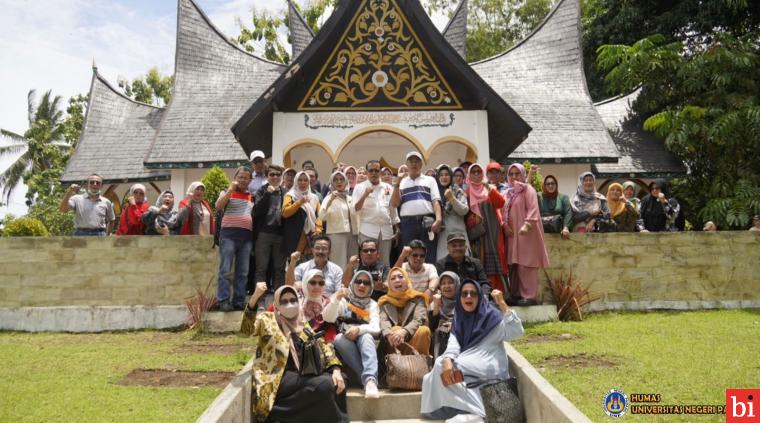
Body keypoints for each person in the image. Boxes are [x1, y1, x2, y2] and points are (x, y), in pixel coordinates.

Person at [242, 283, 347, 423]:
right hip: (278, 376)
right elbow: (246, 331)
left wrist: (336, 369)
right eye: (284, 301)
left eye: (293, 300)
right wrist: (254, 297)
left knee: (338, 381)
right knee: (324, 384)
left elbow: (322, 345)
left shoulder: (302, 322)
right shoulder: (267, 319)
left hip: (301, 373)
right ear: (276, 305)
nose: (289, 304)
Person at [420, 283, 524, 420]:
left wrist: (502, 304)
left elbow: (516, 332)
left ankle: (481, 411)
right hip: (468, 369)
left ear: (480, 297)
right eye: (464, 294)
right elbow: (453, 344)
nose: (468, 296)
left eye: (473, 293)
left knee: (446, 368)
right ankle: (471, 408)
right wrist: (447, 359)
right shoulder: (460, 319)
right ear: (460, 298)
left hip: (490, 368)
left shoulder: (492, 317)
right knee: (438, 369)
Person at [324, 271, 381, 399]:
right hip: (346, 340)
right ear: (352, 283)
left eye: (366, 283)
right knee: (338, 339)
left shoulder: (372, 304)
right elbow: (328, 318)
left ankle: (370, 381)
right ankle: (368, 380)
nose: (361, 285)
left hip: (365, 341)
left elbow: (376, 328)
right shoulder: (344, 301)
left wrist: (359, 330)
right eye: (358, 281)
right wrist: (336, 299)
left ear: (371, 287)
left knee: (366, 336)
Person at [503, 164, 550, 306]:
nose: (514, 177)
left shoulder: (528, 190)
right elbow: (502, 211)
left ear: (523, 175)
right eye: (511, 174)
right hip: (512, 235)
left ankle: (529, 296)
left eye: (517, 174)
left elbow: (533, 208)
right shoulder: (508, 193)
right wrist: (504, 226)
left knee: (526, 263)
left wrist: (527, 224)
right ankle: (516, 294)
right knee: (514, 264)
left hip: (526, 233)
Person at [391, 151, 443, 262]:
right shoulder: (402, 182)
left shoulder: (430, 180)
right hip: (408, 223)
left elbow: (435, 201)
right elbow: (395, 204)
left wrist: (438, 219)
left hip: (427, 221)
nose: (414, 164)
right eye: (411, 161)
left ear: (421, 164)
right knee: (408, 254)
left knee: (428, 254)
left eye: (417, 161)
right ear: (407, 164)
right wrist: (397, 183)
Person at [215, 166, 254, 311]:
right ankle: (223, 301)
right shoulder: (227, 192)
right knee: (225, 270)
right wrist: (230, 190)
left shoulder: (252, 195)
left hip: (246, 238)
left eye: (246, 177)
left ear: (250, 180)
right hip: (229, 236)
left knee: (243, 272)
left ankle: (239, 301)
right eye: (240, 177)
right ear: (235, 178)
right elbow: (218, 206)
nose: (243, 180)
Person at [465, 164, 507, 292]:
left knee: (495, 258)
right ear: (469, 175)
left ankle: (498, 292)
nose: (477, 174)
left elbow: (500, 203)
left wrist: (489, 187)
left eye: (479, 172)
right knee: (479, 259)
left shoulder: (490, 188)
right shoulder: (466, 192)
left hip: (493, 229)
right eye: (474, 172)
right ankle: (482, 292)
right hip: (477, 233)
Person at [353, 160, 399, 266]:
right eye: (371, 170)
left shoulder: (388, 187)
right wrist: (365, 194)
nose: (374, 173)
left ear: (380, 172)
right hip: (367, 230)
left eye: (376, 170)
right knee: (367, 262)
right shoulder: (360, 187)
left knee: (385, 262)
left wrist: (396, 228)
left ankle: (383, 282)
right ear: (367, 172)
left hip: (385, 231)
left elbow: (392, 209)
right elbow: (356, 208)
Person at [379, 267, 431, 355]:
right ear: (389, 284)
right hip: (395, 341)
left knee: (424, 330)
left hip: (414, 334)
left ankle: (415, 364)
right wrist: (388, 334)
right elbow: (383, 321)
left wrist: (404, 331)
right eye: (393, 278)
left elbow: (419, 319)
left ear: (407, 280)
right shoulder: (384, 301)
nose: (397, 280)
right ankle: (401, 366)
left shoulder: (418, 297)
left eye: (400, 277)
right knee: (394, 330)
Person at [253, 165, 287, 290]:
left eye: (278, 174)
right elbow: (256, 211)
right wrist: (268, 194)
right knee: (261, 268)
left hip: (280, 235)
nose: (275, 177)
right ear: (267, 177)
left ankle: (279, 301)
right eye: (272, 174)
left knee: (279, 269)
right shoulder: (261, 191)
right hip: (263, 234)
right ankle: (260, 299)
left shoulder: (286, 193)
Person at [319, 170, 359, 269]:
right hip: (336, 233)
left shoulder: (350, 198)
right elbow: (321, 217)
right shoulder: (328, 198)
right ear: (332, 183)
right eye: (336, 180)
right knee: (339, 264)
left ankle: (352, 284)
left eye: (341, 179)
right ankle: (339, 284)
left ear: (346, 182)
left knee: (353, 263)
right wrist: (331, 200)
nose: (339, 182)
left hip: (352, 234)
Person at [436, 232, 491, 298]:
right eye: (454, 246)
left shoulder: (476, 262)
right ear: (448, 248)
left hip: (474, 297)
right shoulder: (441, 264)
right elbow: (440, 287)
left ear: (466, 247)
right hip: (451, 300)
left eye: (461, 245)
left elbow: (484, 283)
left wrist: (484, 296)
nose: (458, 248)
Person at [282, 171, 322, 257]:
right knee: (295, 261)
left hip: (311, 236)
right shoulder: (290, 196)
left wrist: (318, 229)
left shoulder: (314, 197)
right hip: (295, 234)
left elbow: (319, 215)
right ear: (296, 181)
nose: (303, 182)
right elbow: (285, 213)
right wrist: (299, 202)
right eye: (300, 180)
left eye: (305, 180)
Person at [436, 164, 469, 259]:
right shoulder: (436, 193)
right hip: (443, 236)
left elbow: (464, 210)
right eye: (441, 175)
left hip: (458, 234)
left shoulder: (458, 191)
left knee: (462, 265)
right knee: (444, 266)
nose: (444, 177)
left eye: (447, 174)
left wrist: (452, 198)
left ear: (451, 176)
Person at [300, 269, 338, 342]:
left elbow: (331, 327)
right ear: (305, 283)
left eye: (321, 283)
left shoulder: (328, 302)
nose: (317, 286)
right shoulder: (296, 301)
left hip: (326, 343)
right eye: (313, 282)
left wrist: (328, 342)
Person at [429, 271, 459, 359]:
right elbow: (432, 327)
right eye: (443, 283)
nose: (446, 286)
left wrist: (454, 325)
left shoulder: (464, 301)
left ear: (457, 285)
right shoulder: (436, 301)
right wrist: (436, 305)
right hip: (439, 338)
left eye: (450, 282)